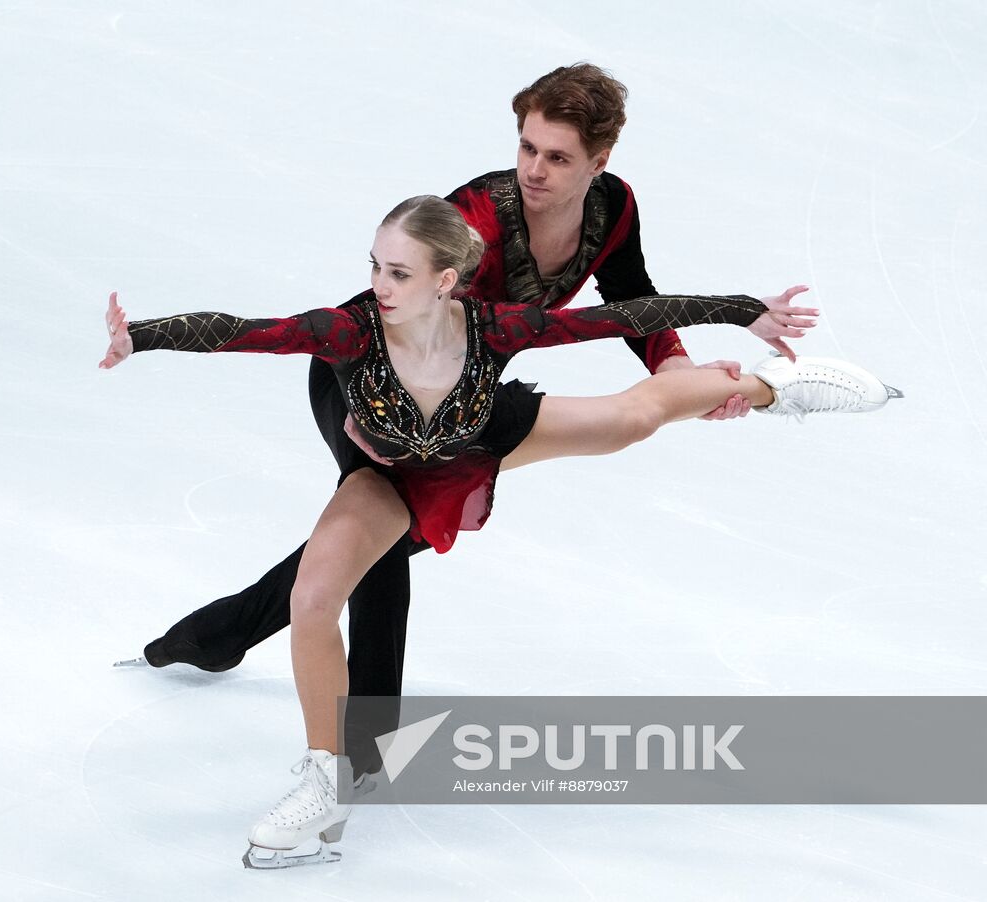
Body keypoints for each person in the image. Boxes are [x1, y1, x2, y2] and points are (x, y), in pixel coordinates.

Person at [99, 195, 894, 867]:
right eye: (374, 265)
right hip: (391, 478)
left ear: (446, 281)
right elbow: (243, 329)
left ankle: (775, 388)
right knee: (313, 596)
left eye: (398, 272)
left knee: (634, 416)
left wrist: (739, 314)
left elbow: (623, 314)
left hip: (485, 434)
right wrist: (144, 336)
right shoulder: (347, 333)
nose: (376, 283)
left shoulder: (494, 330)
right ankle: (325, 776)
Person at [133, 63, 766, 773]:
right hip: (366, 382)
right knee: (386, 526)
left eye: (557, 157)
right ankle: (358, 740)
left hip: (458, 401)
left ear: (600, 161)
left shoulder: (611, 208)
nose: (534, 169)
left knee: (385, 533)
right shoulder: (477, 219)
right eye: (527, 147)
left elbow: (630, 291)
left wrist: (673, 366)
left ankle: (225, 635)